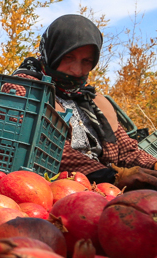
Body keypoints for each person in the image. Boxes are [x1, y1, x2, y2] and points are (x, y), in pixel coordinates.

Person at [10, 14, 157, 190]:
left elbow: (127, 151)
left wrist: (153, 165)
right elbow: (44, 147)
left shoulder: (90, 100)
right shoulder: (23, 89)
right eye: (68, 57)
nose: (77, 70)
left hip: (101, 187)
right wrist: (111, 177)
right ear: (52, 52)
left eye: (86, 61)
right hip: (47, 186)